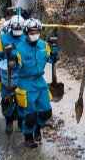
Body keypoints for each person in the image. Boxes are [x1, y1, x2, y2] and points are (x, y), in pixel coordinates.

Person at [8, 18, 59, 148]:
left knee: (46, 111)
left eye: (37, 32)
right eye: (31, 32)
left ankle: (37, 129)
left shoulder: (43, 45)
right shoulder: (19, 48)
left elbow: (51, 58)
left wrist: (54, 53)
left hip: (40, 82)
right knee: (30, 115)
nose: (34, 34)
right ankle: (28, 136)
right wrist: (13, 62)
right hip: (26, 83)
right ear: (26, 33)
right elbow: (16, 64)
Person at [0, 16, 24, 133]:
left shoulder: (26, 39)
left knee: (21, 98)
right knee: (6, 97)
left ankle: (21, 120)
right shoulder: (2, 39)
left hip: (21, 74)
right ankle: (8, 120)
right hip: (6, 73)